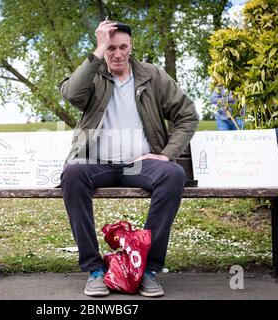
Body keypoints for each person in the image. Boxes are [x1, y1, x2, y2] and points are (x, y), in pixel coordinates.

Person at [58, 19, 199, 297]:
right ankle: (94, 269)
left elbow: (188, 115)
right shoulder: (93, 73)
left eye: (123, 47)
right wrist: (97, 53)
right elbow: (72, 94)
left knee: (173, 174)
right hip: (98, 163)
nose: (118, 53)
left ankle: (148, 269)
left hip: (140, 163)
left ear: (131, 47)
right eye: (111, 48)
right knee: (72, 173)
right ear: (101, 48)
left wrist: (166, 155)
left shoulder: (152, 76)